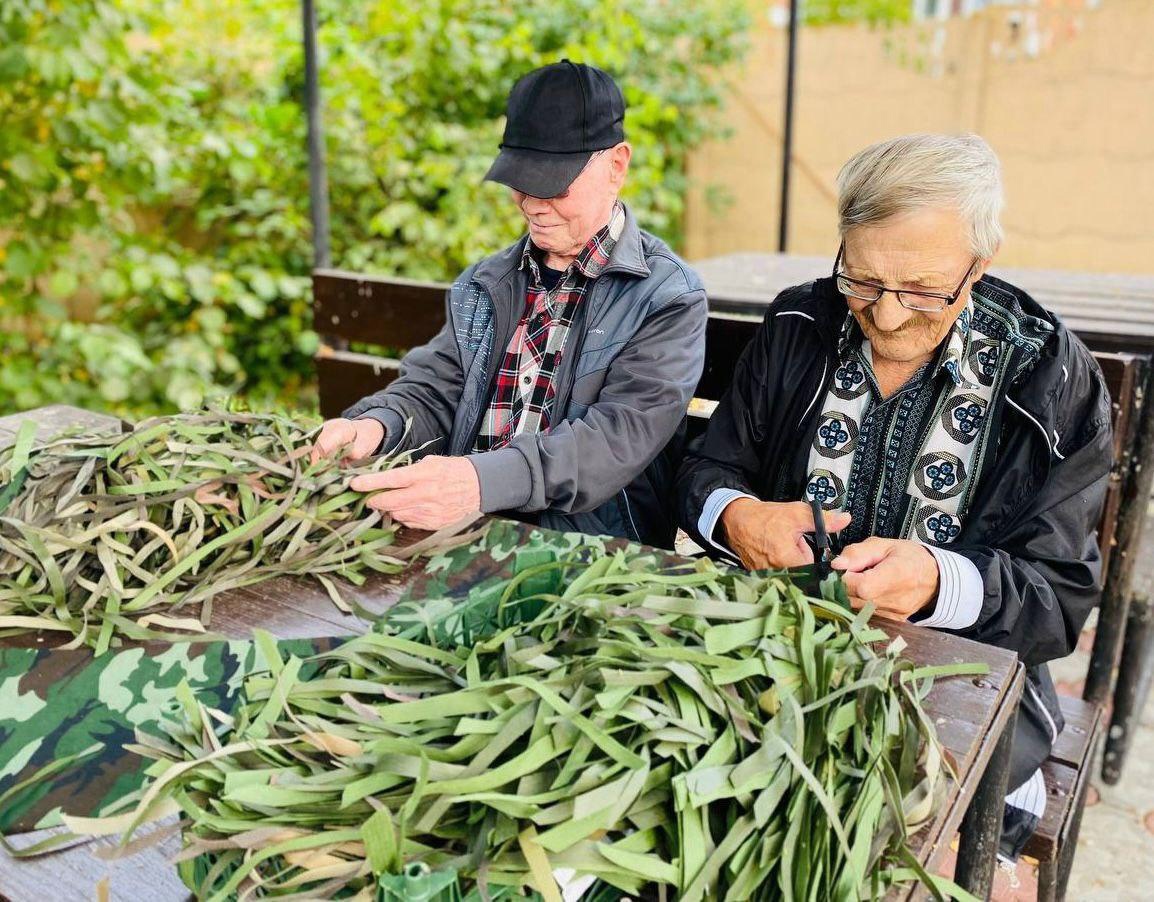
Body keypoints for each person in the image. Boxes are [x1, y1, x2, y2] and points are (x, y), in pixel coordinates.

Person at [677, 133, 1111, 859]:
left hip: (956, 691)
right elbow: (705, 470)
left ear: (981, 263)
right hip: (774, 659)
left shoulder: (1049, 377)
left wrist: (943, 582)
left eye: (922, 290)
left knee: (877, 843)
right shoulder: (800, 326)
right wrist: (737, 515)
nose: (885, 315)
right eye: (864, 280)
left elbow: (1058, 597)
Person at [313, 60, 707, 547]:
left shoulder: (666, 297)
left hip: (591, 558)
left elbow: (613, 439)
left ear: (616, 166)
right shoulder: (489, 281)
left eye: (555, 185)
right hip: (462, 534)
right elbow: (435, 389)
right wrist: (377, 426)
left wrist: (478, 483)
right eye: (521, 183)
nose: (533, 205)